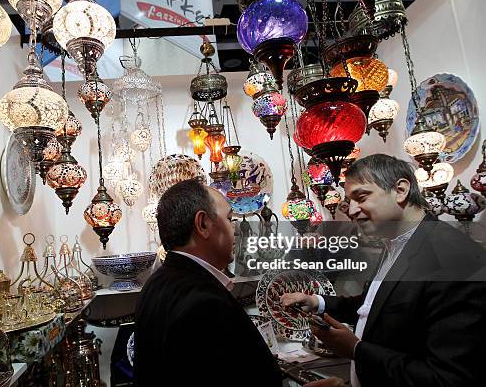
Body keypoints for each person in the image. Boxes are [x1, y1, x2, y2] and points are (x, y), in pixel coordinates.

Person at [283, 154, 486, 387]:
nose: (352, 210)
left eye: (361, 197)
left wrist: (357, 350)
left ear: (400, 190)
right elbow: (378, 307)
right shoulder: (394, 243)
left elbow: (449, 379)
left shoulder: (453, 259)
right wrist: (317, 302)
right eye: (350, 202)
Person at [134, 178, 283, 387]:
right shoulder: (204, 304)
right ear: (203, 224)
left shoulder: (157, 282)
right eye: (230, 219)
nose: (236, 230)